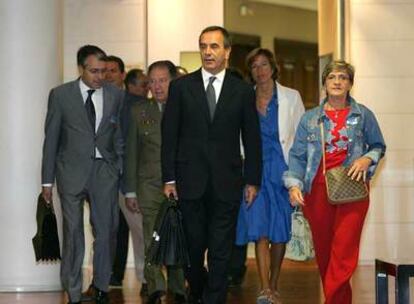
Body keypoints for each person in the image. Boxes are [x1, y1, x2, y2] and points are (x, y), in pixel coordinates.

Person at [161, 26, 262, 304]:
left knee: (221, 250)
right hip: (188, 182)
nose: (208, 52)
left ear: (227, 51)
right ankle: (198, 288)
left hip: (227, 183)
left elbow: (252, 138)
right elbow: (169, 136)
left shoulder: (242, 90)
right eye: (203, 46)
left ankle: (214, 299)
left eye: (214, 46)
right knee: (193, 249)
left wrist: (252, 179)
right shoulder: (181, 87)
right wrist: (168, 178)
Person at [284, 60, 386, 304]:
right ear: (325, 83)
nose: (337, 81)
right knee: (325, 254)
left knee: (344, 253)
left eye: (343, 77)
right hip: (317, 190)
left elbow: (378, 146)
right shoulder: (310, 119)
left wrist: (366, 159)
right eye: (332, 77)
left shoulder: (363, 115)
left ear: (350, 83)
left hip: (353, 189)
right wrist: (294, 184)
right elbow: (297, 156)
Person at [41, 45, 124, 304]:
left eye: (103, 71)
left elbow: (119, 135)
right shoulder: (61, 95)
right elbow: (51, 139)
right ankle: (73, 292)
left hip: (104, 172)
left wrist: (118, 166)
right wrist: (47, 180)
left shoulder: (116, 96)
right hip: (71, 173)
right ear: (81, 68)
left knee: (107, 231)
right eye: (94, 71)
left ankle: (100, 286)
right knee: (73, 232)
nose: (100, 76)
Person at [235, 48, 305, 304]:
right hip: (253, 170)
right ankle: (264, 288)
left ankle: (275, 282)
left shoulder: (291, 97)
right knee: (259, 229)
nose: (260, 71)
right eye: (254, 66)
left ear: (273, 68)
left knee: (279, 231)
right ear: (250, 72)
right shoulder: (245, 97)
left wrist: (298, 178)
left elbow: (300, 140)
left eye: (264, 65)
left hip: (282, 171)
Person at [124, 60, 187, 304]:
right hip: (148, 185)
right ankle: (155, 289)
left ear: (173, 81)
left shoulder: (186, 109)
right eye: (153, 81)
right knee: (152, 239)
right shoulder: (139, 111)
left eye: (163, 80)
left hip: (180, 186)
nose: (157, 86)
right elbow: (131, 153)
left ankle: (178, 287)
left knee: (177, 235)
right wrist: (130, 191)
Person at [105, 57, 147, 290]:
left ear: (123, 75)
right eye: (105, 71)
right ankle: (110, 277)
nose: (108, 75)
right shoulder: (98, 101)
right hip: (105, 179)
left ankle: (146, 278)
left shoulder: (136, 104)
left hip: (130, 180)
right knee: (107, 231)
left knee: (140, 232)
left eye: (113, 71)